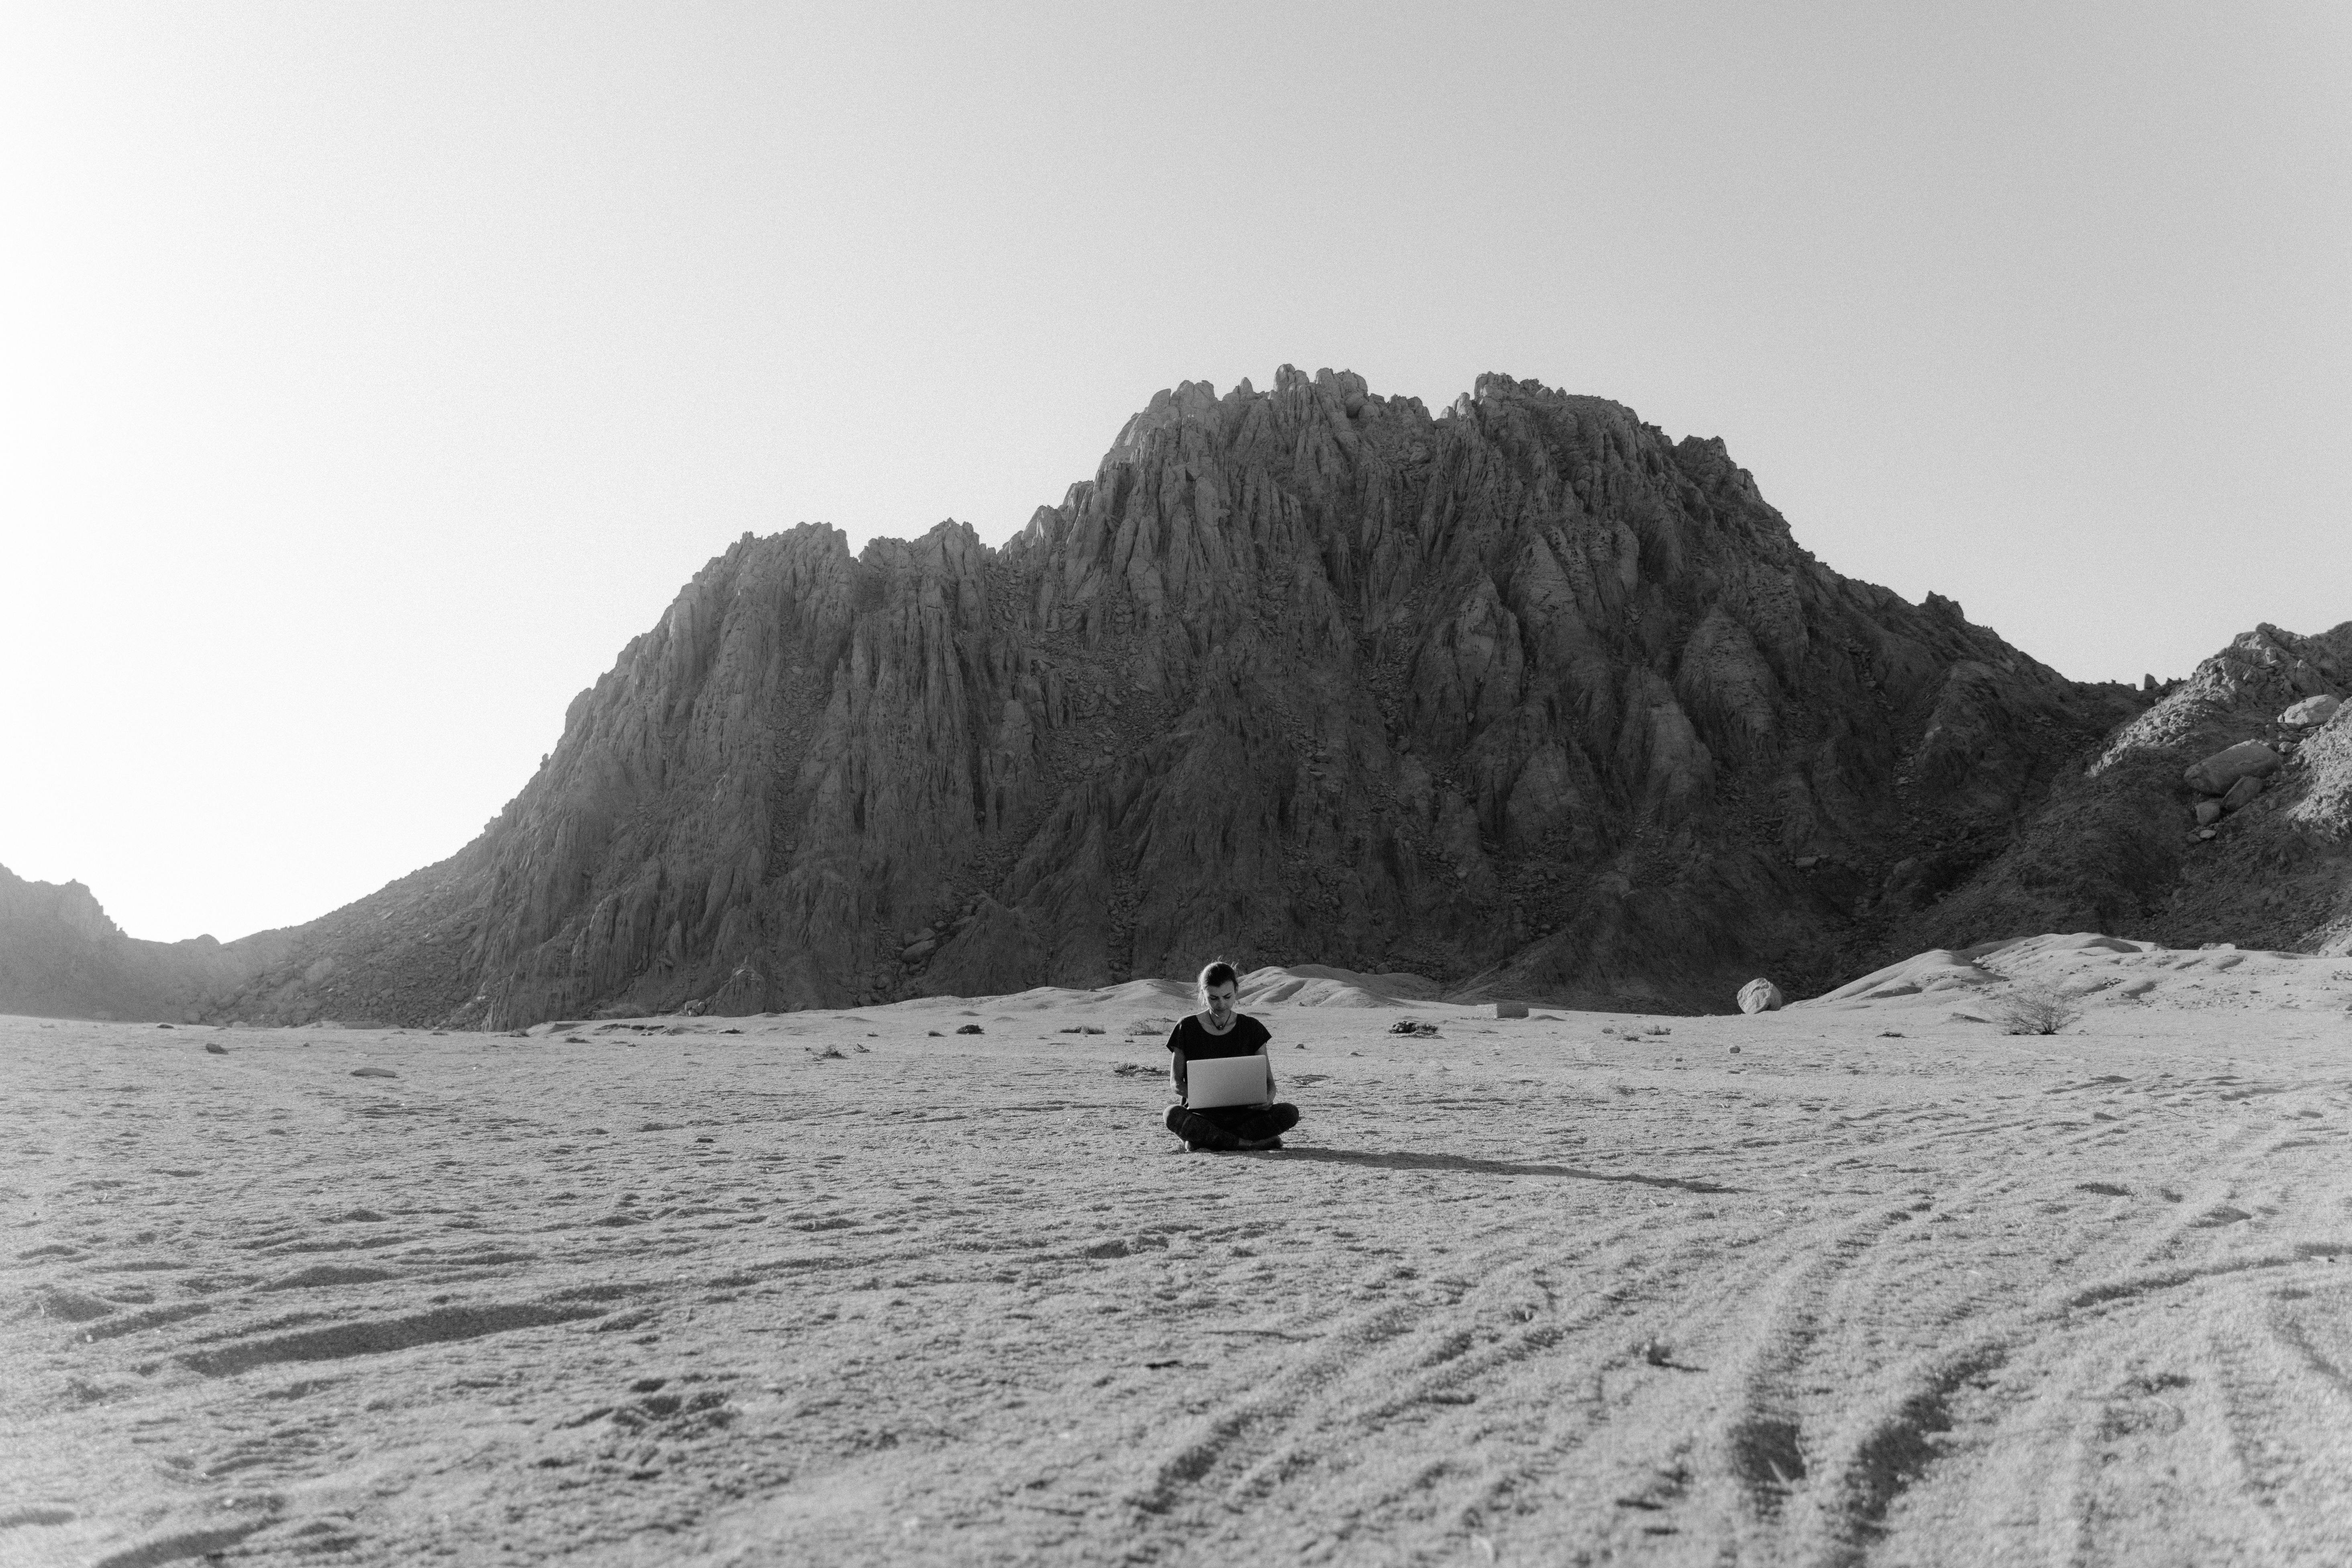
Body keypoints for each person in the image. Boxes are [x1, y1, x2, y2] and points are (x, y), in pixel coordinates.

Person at [1163, 960, 1301, 1152]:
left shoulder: (1252, 1028)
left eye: (1228, 997)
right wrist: (1208, 1098)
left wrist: (1268, 1098)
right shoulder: (1186, 1027)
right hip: (1203, 1115)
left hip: (1245, 1116)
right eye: (1213, 998)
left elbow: (1270, 1082)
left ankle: (1210, 1140)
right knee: (1172, 1114)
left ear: (1236, 990)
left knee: (1289, 1112)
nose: (1222, 1004)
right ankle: (1247, 1144)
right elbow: (1176, 1083)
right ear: (1203, 994)